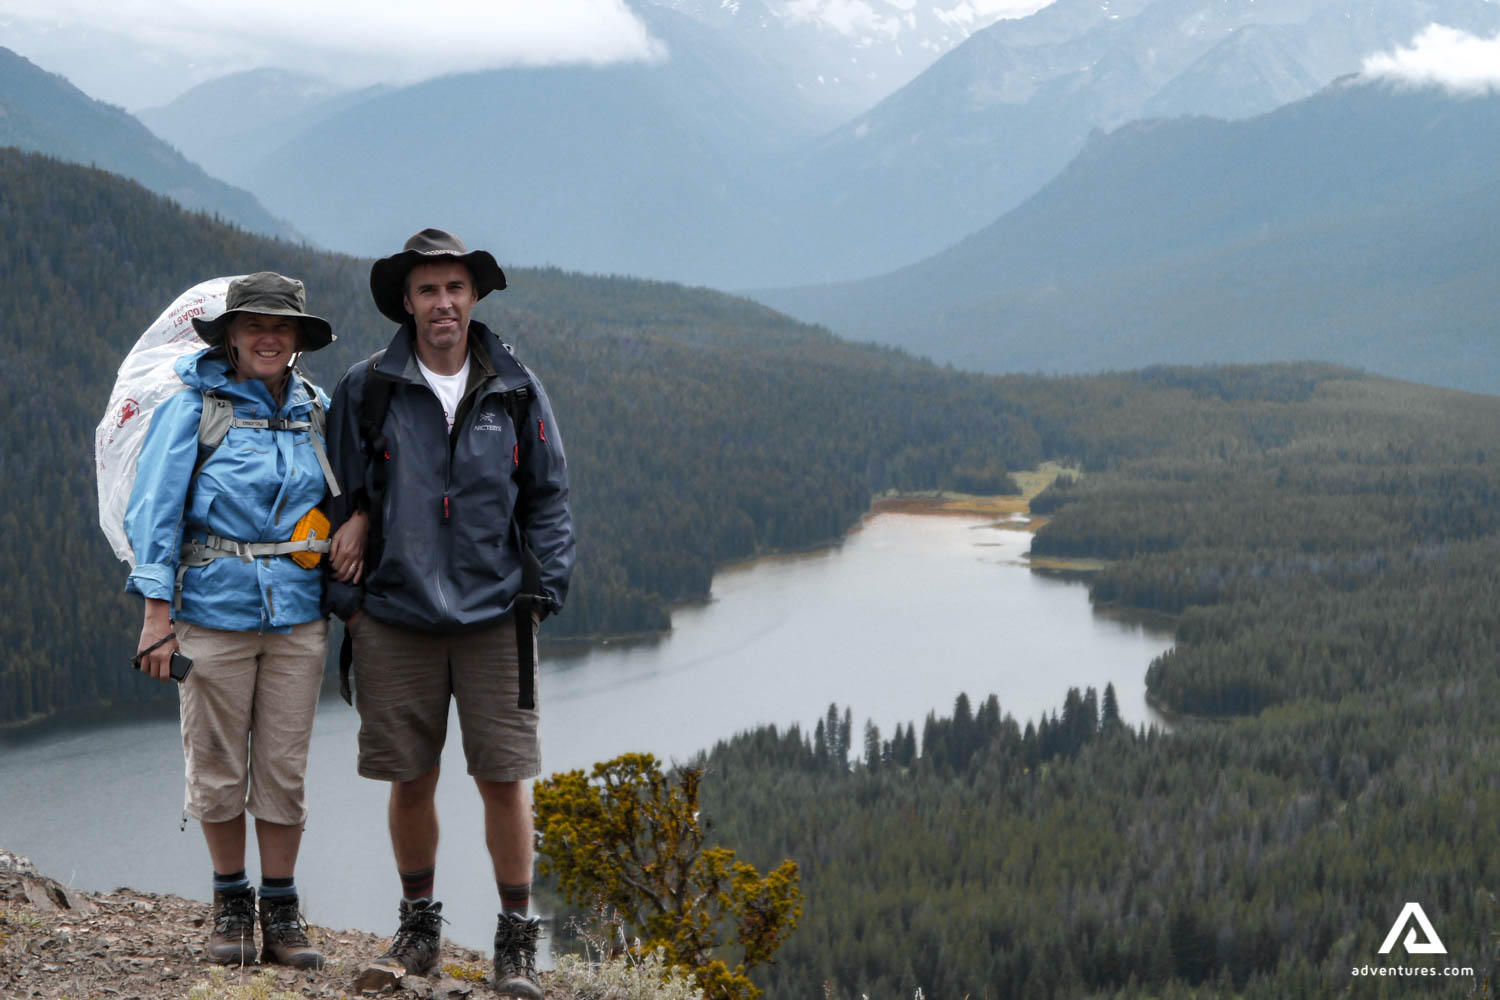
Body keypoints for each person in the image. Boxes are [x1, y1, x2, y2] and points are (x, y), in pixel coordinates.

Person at [324, 229, 575, 999]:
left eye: (455, 289)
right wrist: (353, 610)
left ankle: (515, 941)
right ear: (407, 301)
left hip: (497, 617)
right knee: (410, 778)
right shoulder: (368, 389)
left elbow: (549, 499)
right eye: (428, 290)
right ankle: (420, 925)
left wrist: (541, 596)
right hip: (396, 617)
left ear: (475, 297)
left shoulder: (515, 388)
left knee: (504, 780)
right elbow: (330, 504)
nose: (443, 303)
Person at [126, 272, 340, 970]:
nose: (269, 338)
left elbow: (351, 496)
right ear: (231, 336)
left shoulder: (316, 408)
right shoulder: (193, 407)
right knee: (217, 765)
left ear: (300, 340)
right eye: (254, 327)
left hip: (297, 617)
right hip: (212, 615)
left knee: (284, 767)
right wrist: (156, 615)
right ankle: (230, 904)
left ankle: (281, 909)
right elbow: (154, 512)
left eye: (282, 328)